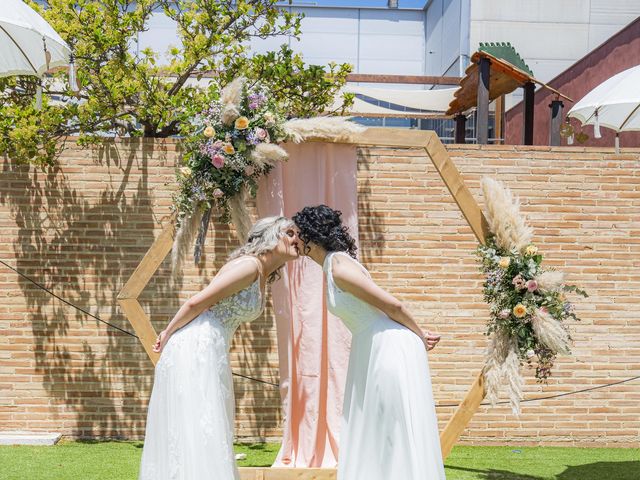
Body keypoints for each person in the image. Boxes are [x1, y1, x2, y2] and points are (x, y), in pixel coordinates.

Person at [138, 216, 299, 480]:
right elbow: (197, 302)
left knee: (208, 422)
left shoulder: (262, 273)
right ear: (270, 237)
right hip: (196, 345)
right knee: (201, 422)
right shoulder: (248, 266)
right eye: (290, 233)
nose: (297, 239)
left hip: (213, 345)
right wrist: (167, 333)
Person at [292, 205, 446, 480]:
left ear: (311, 236)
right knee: (378, 428)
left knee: (392, 428)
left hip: (389, 347)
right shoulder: (332, 266)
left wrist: (420, 334)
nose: (292, 240)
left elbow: (393, 305)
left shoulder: (338, 267)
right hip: (371, 346)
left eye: (296, 234)